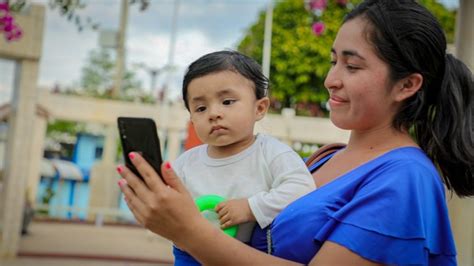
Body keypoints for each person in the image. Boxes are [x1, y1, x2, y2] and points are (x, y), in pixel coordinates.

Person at [117, 0, 474, 264]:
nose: (330, 80)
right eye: (334, 61)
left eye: (352, 65)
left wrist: (189, 232)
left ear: (407, 85)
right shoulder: (323, 158)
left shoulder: (405, 178)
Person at [173, 50, 315, 265]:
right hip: (190, 254)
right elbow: (169, 202)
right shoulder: (185, 163)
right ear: (192, 118)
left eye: (227, 102)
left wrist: (251, 207)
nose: (214, 113)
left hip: (246, 255)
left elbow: (302, 188)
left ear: (259, 108)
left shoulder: (272, 153)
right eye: (201, 108)